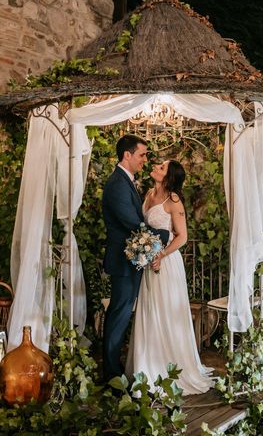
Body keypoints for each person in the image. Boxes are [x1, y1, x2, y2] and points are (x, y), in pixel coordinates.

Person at [126, 159, 214, 395]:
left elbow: (182, 237)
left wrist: (161, 255)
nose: (156, 166)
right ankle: (147, 367)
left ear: (169, 177)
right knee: (149, 311)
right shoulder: (148, 193)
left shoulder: (173, 201)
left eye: (162, 167)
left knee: (164, 311)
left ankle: (170, 368)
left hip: (166, 264)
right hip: (149, 263)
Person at [102, 134, 170, 382]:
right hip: (123, 262)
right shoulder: (118, 184)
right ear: (127, 155)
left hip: (131, 260)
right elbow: (132, 223)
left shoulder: (126, 181)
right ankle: (111, 374)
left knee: (120, 314)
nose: (145, 159)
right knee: (119, 315)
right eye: (142, 154)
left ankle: (114, 369)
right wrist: (164, 233)